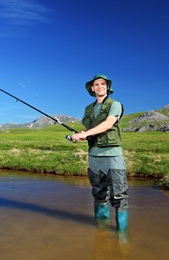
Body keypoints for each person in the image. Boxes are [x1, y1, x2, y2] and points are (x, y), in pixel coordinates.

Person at [72, 74, 129, 232]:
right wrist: (80, 135)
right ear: (92, 88)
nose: (100, 86)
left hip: (113, 156)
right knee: (98, 194)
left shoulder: (115, 104)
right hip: (94, 157)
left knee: (119, 197)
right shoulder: (88, 109)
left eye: (103, 84)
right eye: (96, 84)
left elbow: (107, 124)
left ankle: (122, 236)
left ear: (107, 87)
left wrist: (85, 134)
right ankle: (101, 233)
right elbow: (89, 131)